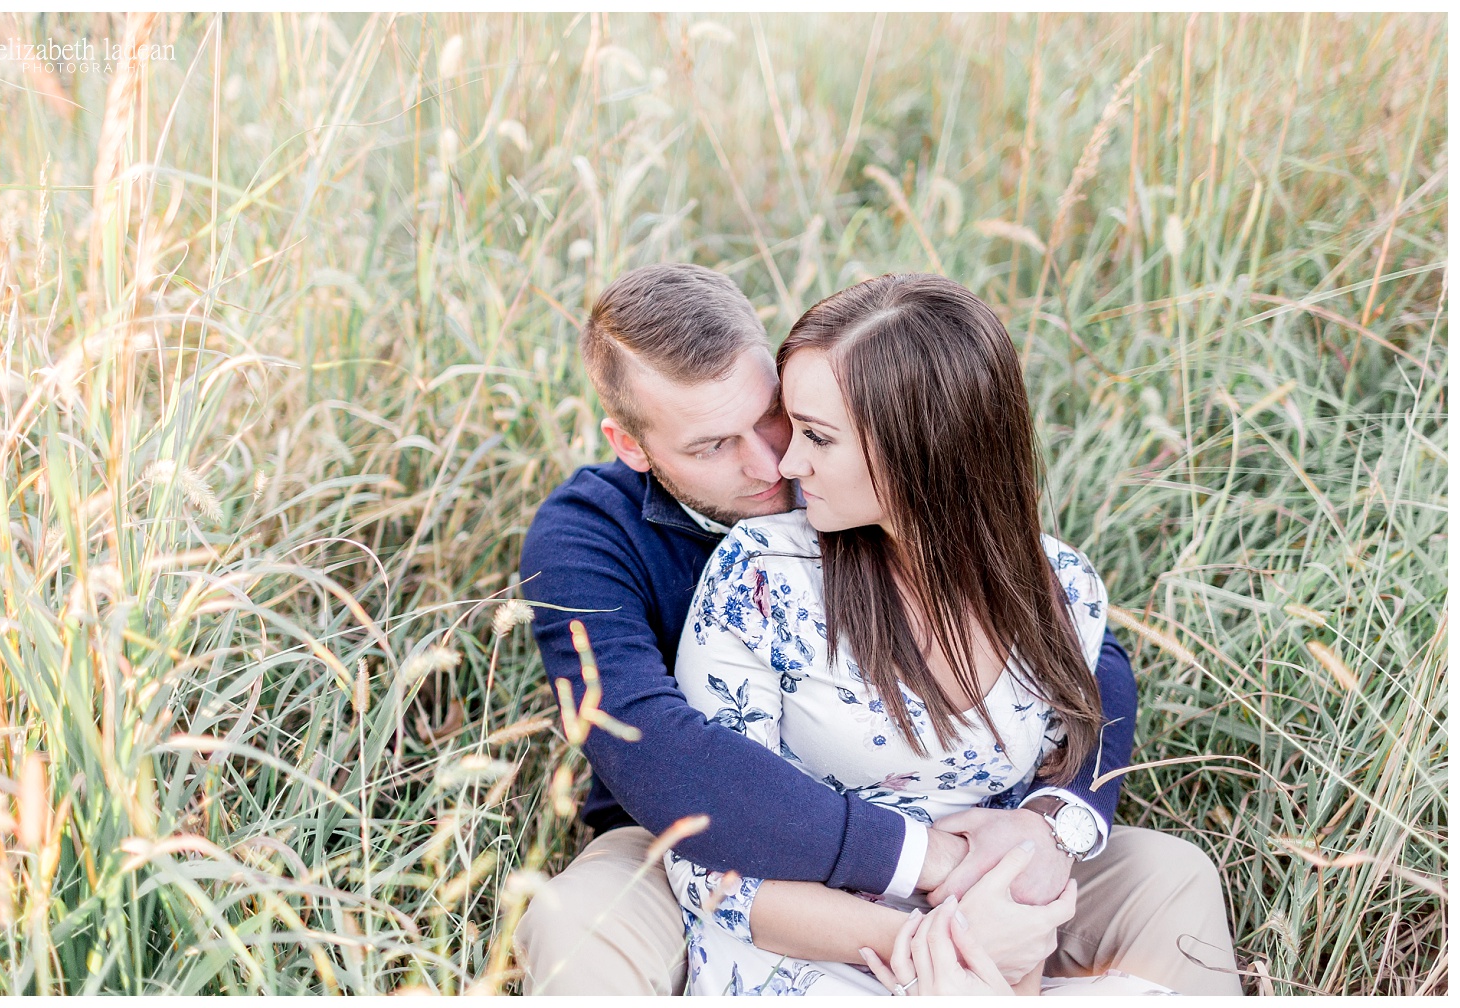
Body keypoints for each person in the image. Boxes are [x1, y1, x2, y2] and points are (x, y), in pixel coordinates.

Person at [515, 264, 1240, 995]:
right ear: (633, 445)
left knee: (1169, 879)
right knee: (575, 922)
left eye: (774, 417)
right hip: (686, 827)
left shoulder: (853, 462)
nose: (774, 464)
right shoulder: (590, 537)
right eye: (711, 446)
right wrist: (933, 890)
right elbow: (664, 756)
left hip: (962, 828)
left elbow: (1086, 658)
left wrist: (1055, 821)